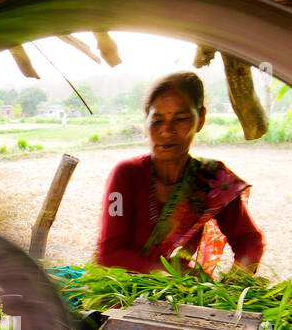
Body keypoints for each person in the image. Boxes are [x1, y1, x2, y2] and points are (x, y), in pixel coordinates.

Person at [95, 71, 265, 276]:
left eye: (181, 119)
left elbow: (249, 239)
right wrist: (172, 276)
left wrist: (236, 285)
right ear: (146, 123)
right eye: (157, 121)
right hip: (118, 294)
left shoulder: (212, 179)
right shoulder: (126, 176)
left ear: (201, 119)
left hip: (177, 298)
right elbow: (110, 253)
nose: (167, 131)